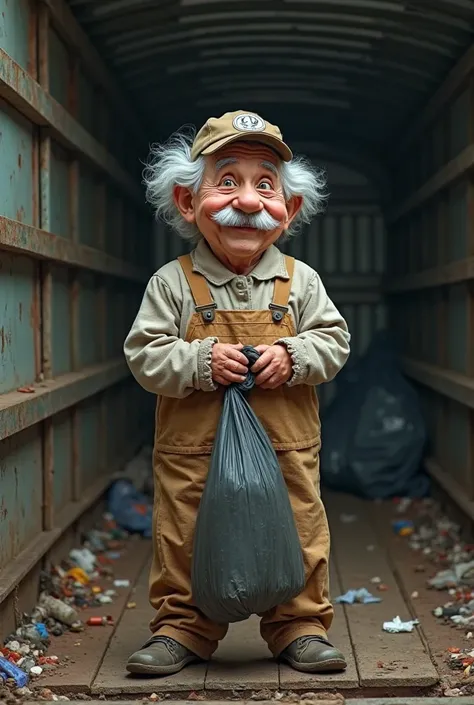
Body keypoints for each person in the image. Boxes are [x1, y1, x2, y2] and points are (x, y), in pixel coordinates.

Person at [123, 110, 351, 677]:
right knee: (183, 534)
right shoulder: (172, 283)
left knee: (300, 527)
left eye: (265, 185)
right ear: (186, 201)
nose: (247, 201)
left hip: (286, 448)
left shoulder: (302, 282)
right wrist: (198, 360)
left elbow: (336, 340)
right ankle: (183, 626)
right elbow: (145, 354)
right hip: (192, 451)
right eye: (227, 181)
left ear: (289, 210)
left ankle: (298, 624)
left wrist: (294, 356)